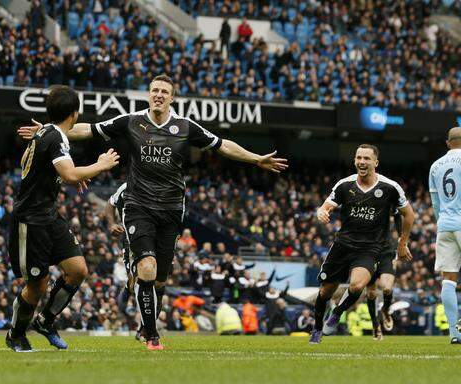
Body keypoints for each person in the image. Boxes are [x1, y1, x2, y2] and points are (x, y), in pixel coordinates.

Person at [19, 74, 288, 350]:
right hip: (138, 206)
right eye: (154, 90)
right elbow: (88, 129)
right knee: (147, 268)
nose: (158, 95)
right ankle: (151, 335)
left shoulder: (185, 127)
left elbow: (222, 145)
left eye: (164, 91)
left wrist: (256, 158)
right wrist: (51, 130)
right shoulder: (132, 121)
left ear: (172, 98)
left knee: (159, 280)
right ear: (149, 94)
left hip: (171, 210)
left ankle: (145, 324)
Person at [5, 85, 120, 352]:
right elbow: (69, 174)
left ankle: (45, 321)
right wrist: (101, 164)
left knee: (78, 270)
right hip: (30, 220)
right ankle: (16, 334)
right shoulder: (53, 135)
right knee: (37, 284)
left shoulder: (46, 132)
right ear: (74, 113)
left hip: (48, 216)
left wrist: (59, 173)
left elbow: (29, 161)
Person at [310, 144, 415, 344]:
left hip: (370, 248)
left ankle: (337, 313)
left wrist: (402, 244)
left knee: (357, 286)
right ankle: (316, 328)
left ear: (376, 162)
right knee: (325, 291)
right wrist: (321, 212)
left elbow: (409, 215)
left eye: (366, 158)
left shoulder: (390, 187)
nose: (361, 162)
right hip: (343, 245)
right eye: (358, 158)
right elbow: (324, 207)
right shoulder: (345, 185)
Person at [429, 127, 461, 344]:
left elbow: (435, 203)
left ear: (448, 143)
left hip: (445, 225)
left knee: (448, 280)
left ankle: (454, 334)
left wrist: (442, 222)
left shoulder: (435, 166)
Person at [365, 210, 402, 341]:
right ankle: (375, 325)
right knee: (371, 293)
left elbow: (398, 214)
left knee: (387, 288)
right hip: (368, 253)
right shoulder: (361, 201)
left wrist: (401, 240)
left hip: (387, 251)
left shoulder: (386, 197)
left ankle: (385, 310)